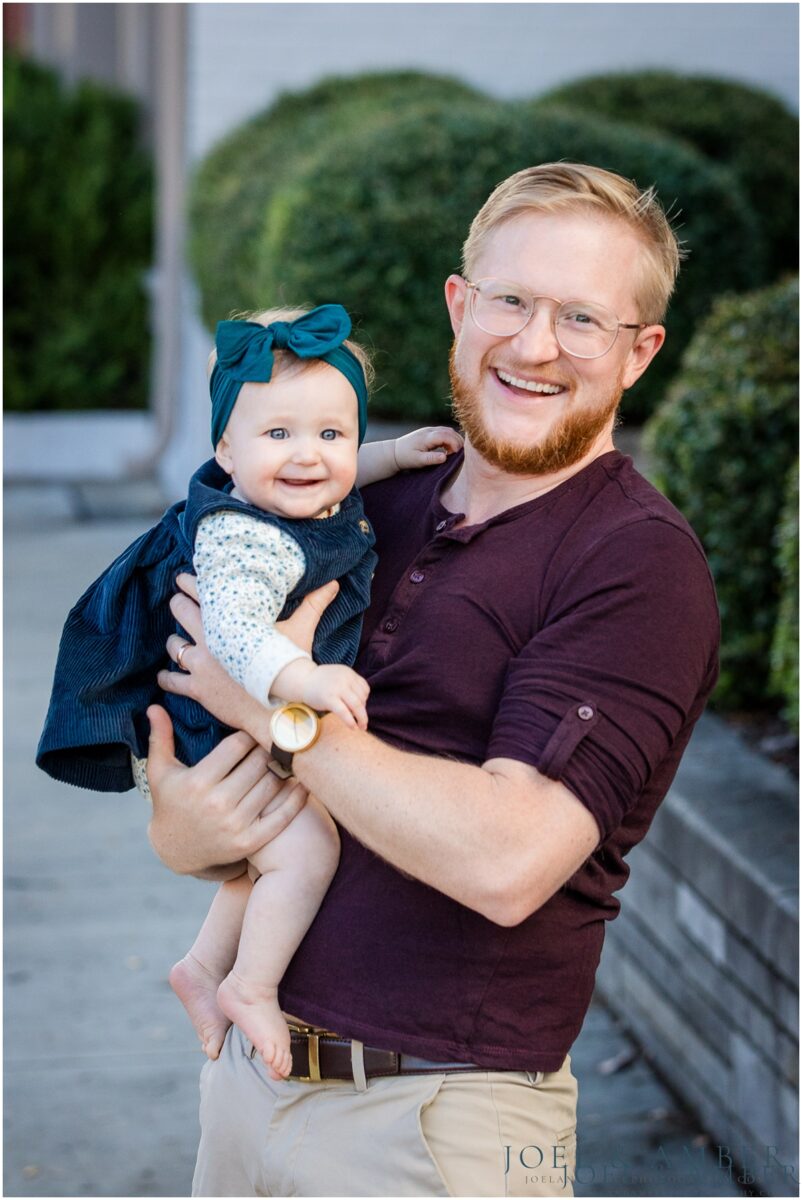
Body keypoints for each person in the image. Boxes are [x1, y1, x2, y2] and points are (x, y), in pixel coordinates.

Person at [145, 163, 720, 1198]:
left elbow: (507, 859)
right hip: (247, 1080)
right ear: (460, 305)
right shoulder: (368, 504)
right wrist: (185, 829)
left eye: (582, 318)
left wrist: (280, 720)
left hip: (438, 1121)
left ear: (640, 354)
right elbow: (215, 779)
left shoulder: (637, 567)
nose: (535, 345)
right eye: (512, 300)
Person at [36, 302, 462, 1082]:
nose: (309, 456)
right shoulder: (242, 536)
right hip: (231, 720)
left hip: (253, 716)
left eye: (332, 433)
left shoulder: (297, 490)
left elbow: (335, 473)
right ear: (224, 449)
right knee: (305, 852)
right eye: (279, 435)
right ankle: (250, 985)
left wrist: (393, 454)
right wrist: (303, 678)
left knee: (264, 855)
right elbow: (232, 633)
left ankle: (200, 966)